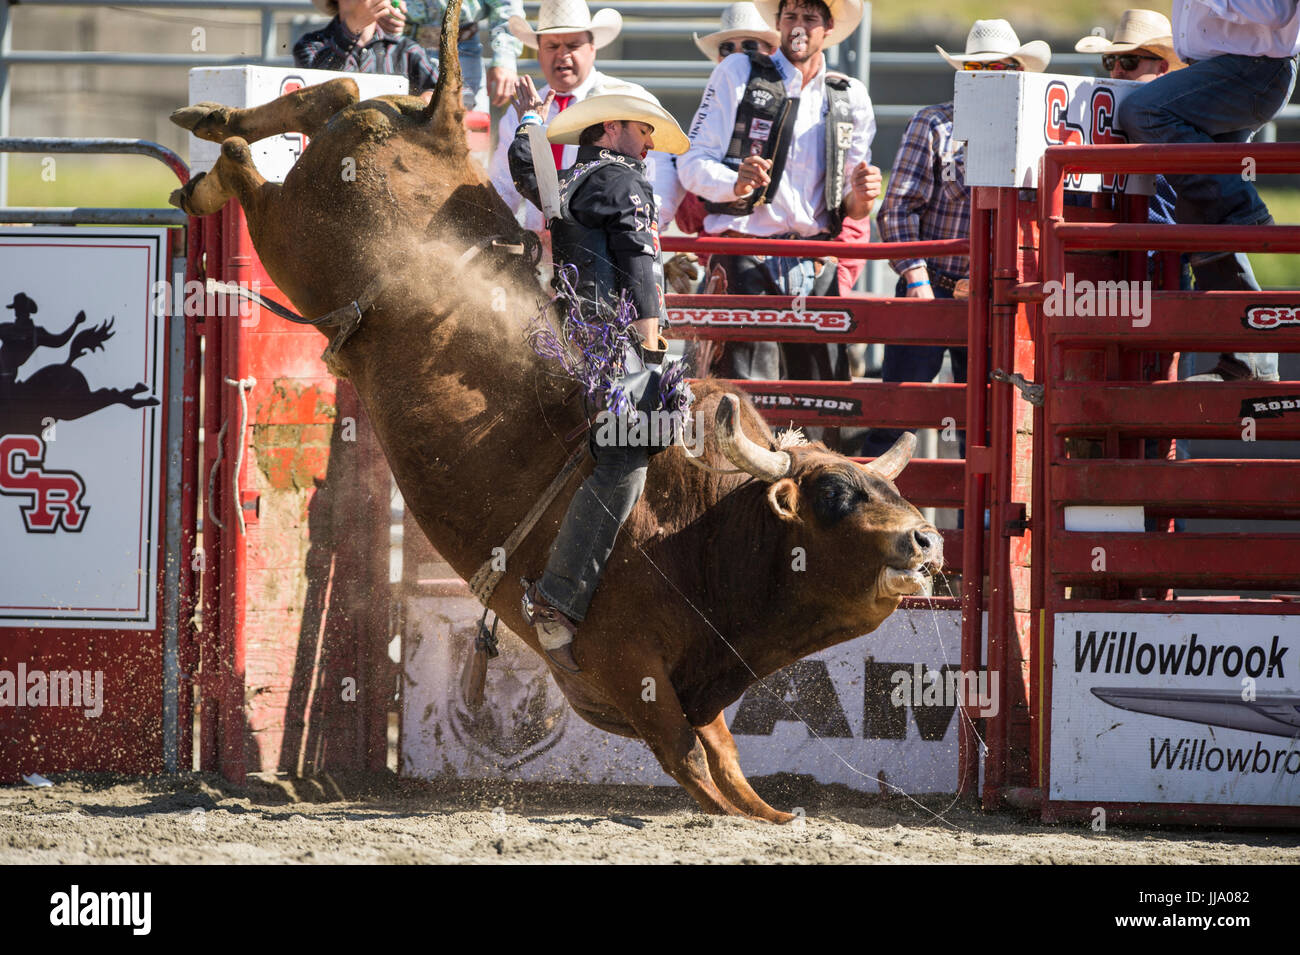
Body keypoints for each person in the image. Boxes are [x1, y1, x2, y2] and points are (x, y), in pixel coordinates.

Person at [508, 77, 690, 673]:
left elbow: (523, 170)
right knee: (626, 457)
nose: (650, 144)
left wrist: (531, 122)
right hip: (610, 349)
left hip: (568, 340)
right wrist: (654, 345)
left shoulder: (570, 179)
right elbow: (640, 264)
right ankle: (559, 597)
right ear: (610, 128)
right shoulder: (623, 178)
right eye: (643, 130)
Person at [859, 19, 1050, 460]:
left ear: (1016, 72)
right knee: (898, 412)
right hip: (937, 285)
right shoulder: (934, 124)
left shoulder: (1031, 135)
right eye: (975, 68)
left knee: (988, 423)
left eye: (998, 67)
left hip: (1000, 294)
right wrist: (918, 279)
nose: (986, 76)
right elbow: (897, 208)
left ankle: (978, 524)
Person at [676, 0, 880, 397]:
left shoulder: (849, 96)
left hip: (814, 257)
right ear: (778, 23)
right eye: (791, 17)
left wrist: (863, 198)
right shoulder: (737, 71)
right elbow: (692, 163)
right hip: (744, 251)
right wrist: (737, 182)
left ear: (828, 28)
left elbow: (851, 207)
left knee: (823, 395)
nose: (799, 27)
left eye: (809, 18)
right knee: (745, 396)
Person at [1117, 0, 1300, 382]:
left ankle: (1242, 210)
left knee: (1143, 112)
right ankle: (1249, 359)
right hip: (1231, 70)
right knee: (1201, 214)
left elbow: (1276, 11)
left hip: (1250, 69)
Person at [489, 0, 624, 234]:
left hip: (601, 246)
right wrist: (496, 230)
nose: (562, 55)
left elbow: (650, 182)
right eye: (552, 46)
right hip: (539, 250)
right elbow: (502, 184)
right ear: (539, 52)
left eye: (573, 45)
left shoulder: (620, 102)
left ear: (592, 49)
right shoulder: (519, 111)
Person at [298, 0, 439, 102]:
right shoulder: (310, 45)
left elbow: (445, 92)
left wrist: (426, 100)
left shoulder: (407, 51)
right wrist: (353, 25)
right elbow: (318, 90)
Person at [402, 0, 524, 110]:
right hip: (399, 52)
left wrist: (505, 56)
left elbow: (506, 4)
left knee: (470, 127)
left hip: (463, 52)